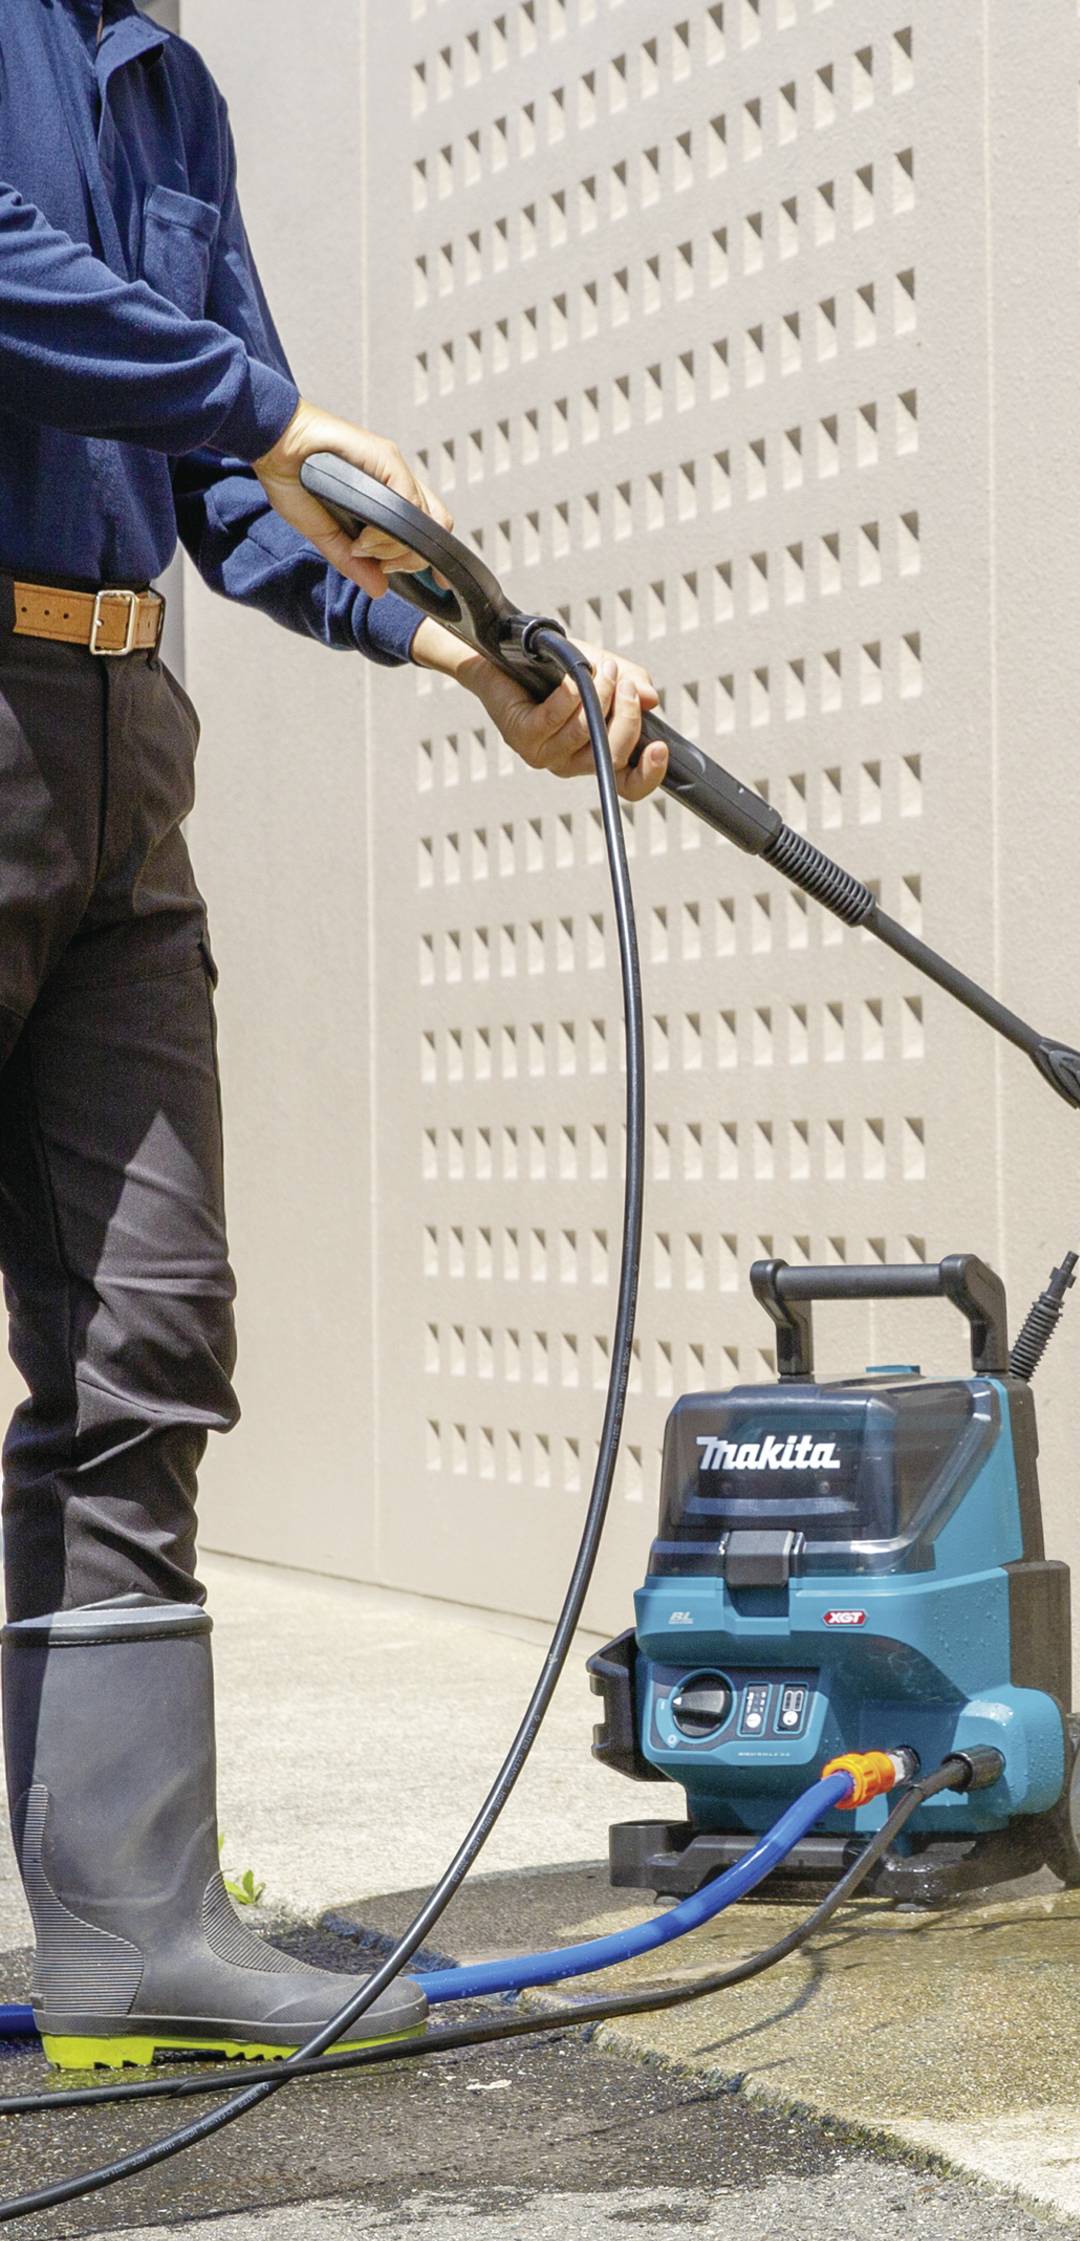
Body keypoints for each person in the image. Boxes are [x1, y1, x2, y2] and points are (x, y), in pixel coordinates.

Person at [0, 0, 667, 2067]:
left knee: (146, 1331)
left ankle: (128, 1927)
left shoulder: (164, 80)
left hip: (121, 726)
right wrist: (269, 404)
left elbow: (237, 479)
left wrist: (467, 648)